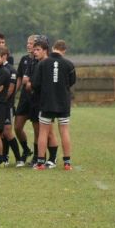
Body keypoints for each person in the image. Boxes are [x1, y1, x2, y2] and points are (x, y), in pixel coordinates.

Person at [32, 40, 76, 171]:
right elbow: (72, 81)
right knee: (64, 131)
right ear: (64, 50)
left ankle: (40, 163)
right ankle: (67, 163)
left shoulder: (43, 63)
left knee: (43, 132)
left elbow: (35, 84)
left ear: (52, 48)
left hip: (47, 102)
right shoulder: (69, 64)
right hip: (63, 102)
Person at [14, 34, 37, 162]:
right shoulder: (24, 60)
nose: (29, 45)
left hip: (36, 99)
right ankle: (26, 149)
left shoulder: (41, 61)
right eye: (28, 42)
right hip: (24, 98)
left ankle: (37, 155)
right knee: (17, 127)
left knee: (37, 128)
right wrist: (13, 93)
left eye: (32, 43)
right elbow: (19, 78)